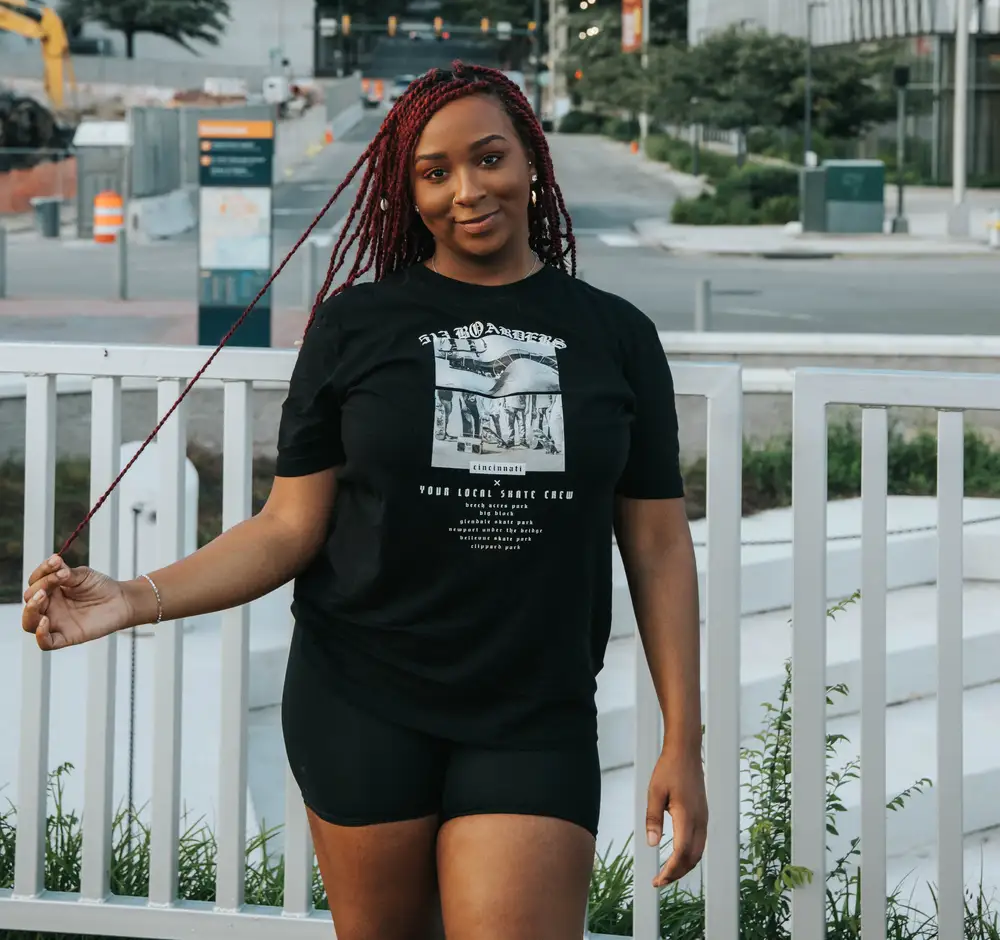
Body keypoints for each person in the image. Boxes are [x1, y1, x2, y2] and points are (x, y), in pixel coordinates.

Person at [22, 63, 707, 940]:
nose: (468, 191)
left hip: (534, 710)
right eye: (434, 172)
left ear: (532, 159)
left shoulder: (616, 335)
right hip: (362, 700)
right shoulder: (356, 325)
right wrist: (130, 597)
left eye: (489, 157)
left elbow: (655, 544)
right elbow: (288, 528)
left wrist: (680, 739)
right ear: (406, 189)